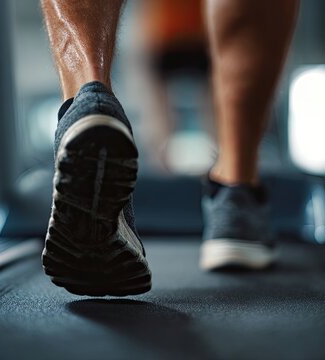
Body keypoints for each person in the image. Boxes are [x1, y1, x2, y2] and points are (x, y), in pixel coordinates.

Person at [40, 0, 299, 296]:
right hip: (200, 28)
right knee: (211, 115)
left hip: (162, 29)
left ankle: (87, 98)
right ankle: (235, 189)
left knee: (154, 109)